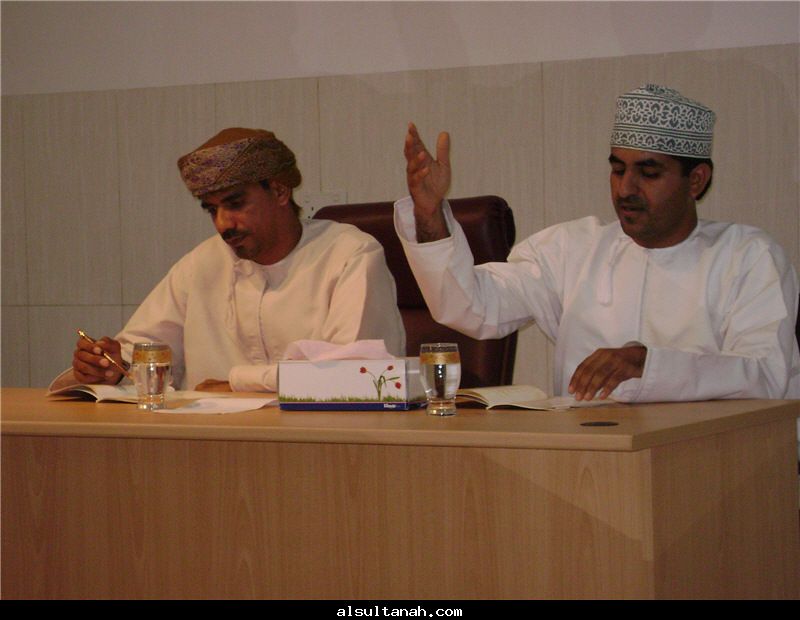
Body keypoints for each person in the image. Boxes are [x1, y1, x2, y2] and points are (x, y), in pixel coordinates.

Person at [394, 84, 800, 402]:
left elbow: (766, 376)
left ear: (696, 181)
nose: (626, 188)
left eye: (648, 173)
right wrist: (429, 214)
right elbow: (472, 307)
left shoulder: (748, 257)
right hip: (589, 460)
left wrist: (650, 365)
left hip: (710, 461)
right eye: (618, 170)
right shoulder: (571, 249)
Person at [68, 127, 405, 392]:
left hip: (325, 443)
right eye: (211, 210)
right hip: (216, 446)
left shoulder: (350, 255)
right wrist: (112, 367)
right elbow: (143, 354)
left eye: (235, 204)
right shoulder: (201, 264)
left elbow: (358, 374)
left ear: (280, 192)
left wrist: (238, 383)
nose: (222, 224)